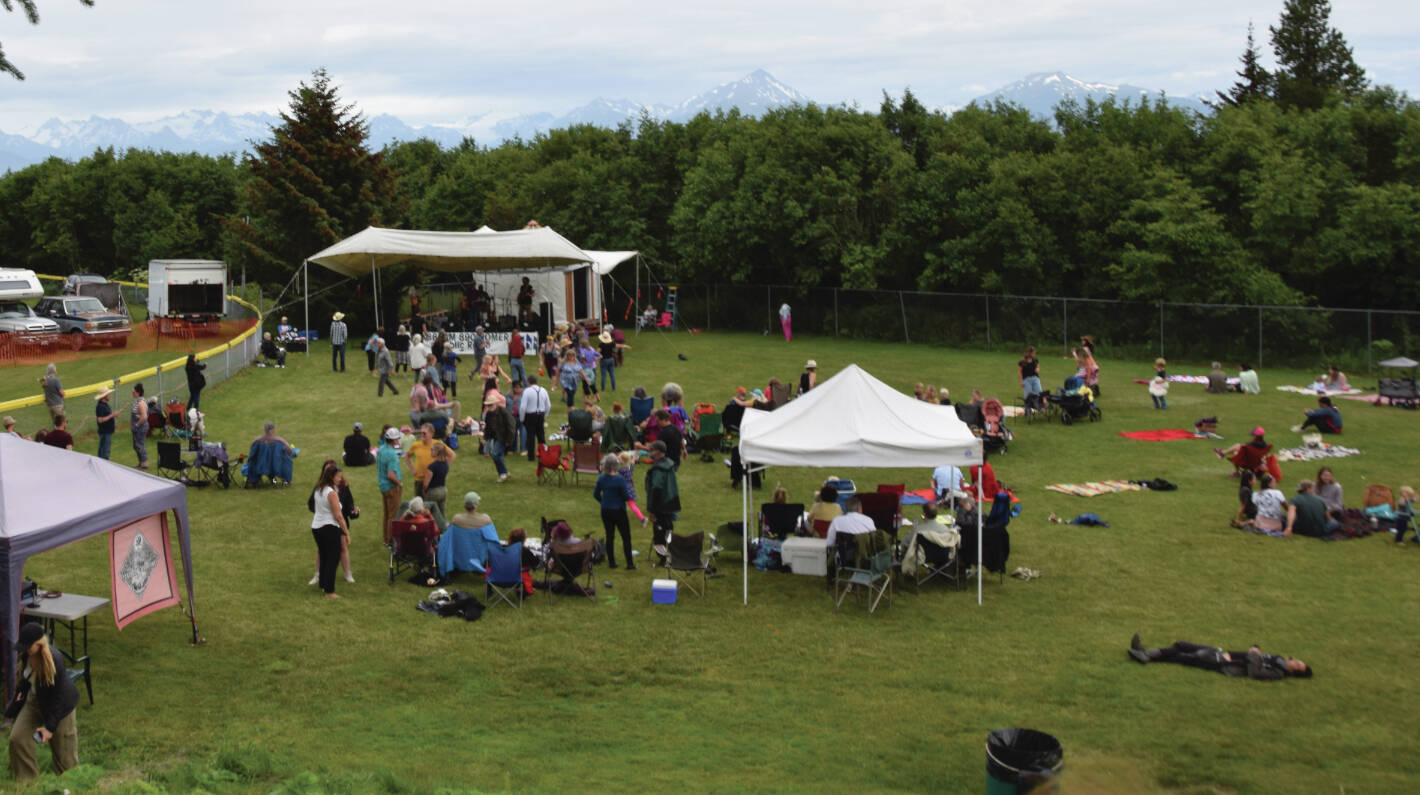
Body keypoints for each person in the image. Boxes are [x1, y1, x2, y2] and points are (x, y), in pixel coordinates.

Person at [4, 623, 79, 781]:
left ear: (39, 644)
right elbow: (25, 680)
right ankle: (28, 783)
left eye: (28, 647)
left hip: (60, 708)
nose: (24, 650)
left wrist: (49, 729)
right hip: (35, 701)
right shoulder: (27, 655)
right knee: (17, 739)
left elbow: (58, 699)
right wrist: (13, 708)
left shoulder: (54, 660)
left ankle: (69, 786)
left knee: (65, 761)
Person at [1127, 634, 1311, 679]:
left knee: (1186, 656)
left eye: (1297, 664)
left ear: (1294, 672)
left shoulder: (1277, 673)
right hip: (1222, 652)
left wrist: (1254, 655)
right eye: (1297, 660)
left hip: (1224, 664)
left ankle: (1146, 655)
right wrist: (1255, 649)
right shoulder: (1277, 659)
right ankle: (1145, 653)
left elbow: (1254, 672)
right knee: (1182, 645)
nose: (1293, 660)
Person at [309, 462, 358, 585]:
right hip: (329, 527)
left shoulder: (319, 489)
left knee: (325, 555)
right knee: (332, 558)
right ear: (332, 477)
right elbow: (338, 516)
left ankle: (323, 583)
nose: (340, 479)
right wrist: (347, 533)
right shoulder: (330, 492)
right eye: (338, 476)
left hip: (317, 526)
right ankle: (329, 589)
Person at [593, 453, 635, 569]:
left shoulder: (601, 478)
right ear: (615, 465)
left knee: (610, 536)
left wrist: (603, 502)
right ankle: (630, 563)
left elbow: (596, 494)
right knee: (626, 537)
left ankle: (612, 562)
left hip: (606, 511)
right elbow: (626, 497)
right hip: (619, 510)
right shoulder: (620, 479)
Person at [644, 441, 680, 550]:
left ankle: (663, 556)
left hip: (661, 504)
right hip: (671, 501)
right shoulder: (668, 464)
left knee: (659, 532)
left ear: (658, 452)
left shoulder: (658, 468)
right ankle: (670, 549)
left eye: (652, 449)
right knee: (669, 528)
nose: (650, 451)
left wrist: (653, 510)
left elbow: (656, 488)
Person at [376, 427, 403, 545]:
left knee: (386, 513)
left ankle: (385, 538)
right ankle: (391, 540)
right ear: (393, 440)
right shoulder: (392, 454)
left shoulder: (381, 449)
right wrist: (399, 483)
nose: (398, 441)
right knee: (393, 515)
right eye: (397, 439)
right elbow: (391, 474)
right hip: (392, 487)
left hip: (383, 486)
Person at [483, 391, 517, 483]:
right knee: (499, 456)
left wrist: (509, 440)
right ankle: (505, 473)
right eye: (488, 405)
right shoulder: (489, 414)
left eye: (491, 405)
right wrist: (485, 438)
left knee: (494, 454)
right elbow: (487, 427)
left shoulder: (504, 412)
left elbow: (512, 426)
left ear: (496, 404)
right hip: (496, 437)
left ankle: (503, 474)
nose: (489, 407)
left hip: (504, 437)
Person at [423, 441, 455, 529]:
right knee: (442, 511)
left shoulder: (432, 466)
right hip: (443, 489)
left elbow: (426, 483)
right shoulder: (445, 464)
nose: (431, 451)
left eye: (432, 450)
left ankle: (430, 529)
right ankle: (443, 528)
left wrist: (424, 490)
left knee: (428, 511)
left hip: (433, 490)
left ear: (437, 452)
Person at [520, 374, 551, 460]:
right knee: (541, 436)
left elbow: (523, 407)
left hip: (530, 416)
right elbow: (548, 405)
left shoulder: (527, 391)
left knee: (531, 436)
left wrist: (522, 418)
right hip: (540, 414)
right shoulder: (543, 390)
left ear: (528, 382)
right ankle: (544, 454)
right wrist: (544, 415)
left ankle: (531, 456)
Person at [404, 423, 436, 499]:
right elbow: (407, 456)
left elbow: (451, 455)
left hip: (433, 480)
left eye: (424, 433)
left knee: (432, 503)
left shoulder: (437, 444)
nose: (422, 435)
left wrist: (444, 468)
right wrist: (413, 469)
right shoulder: (416, 445)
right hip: (419, 480)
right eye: (421, 433)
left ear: (431, 434)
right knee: (419, 504)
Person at [94, 386, 117, 460]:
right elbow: (100, 420)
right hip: (105, 432)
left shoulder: (105, 404)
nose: (109, 395)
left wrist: (112, 415)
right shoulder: (100, 406)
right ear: (104, 396)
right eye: (108, 394)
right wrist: (111, 415)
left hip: (107, 431)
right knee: (105, 452)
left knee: (104, 450)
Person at [129, 383, 149, 469]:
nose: (132, 393)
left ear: (138, 392)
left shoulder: (141, 402)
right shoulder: (137, 401)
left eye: (133, 392)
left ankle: (144, 464)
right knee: (136, 445)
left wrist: (136, 425)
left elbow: (144, 416)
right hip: (137, 426)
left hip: (140, 427)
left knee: (140, 445)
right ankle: (140, 462)